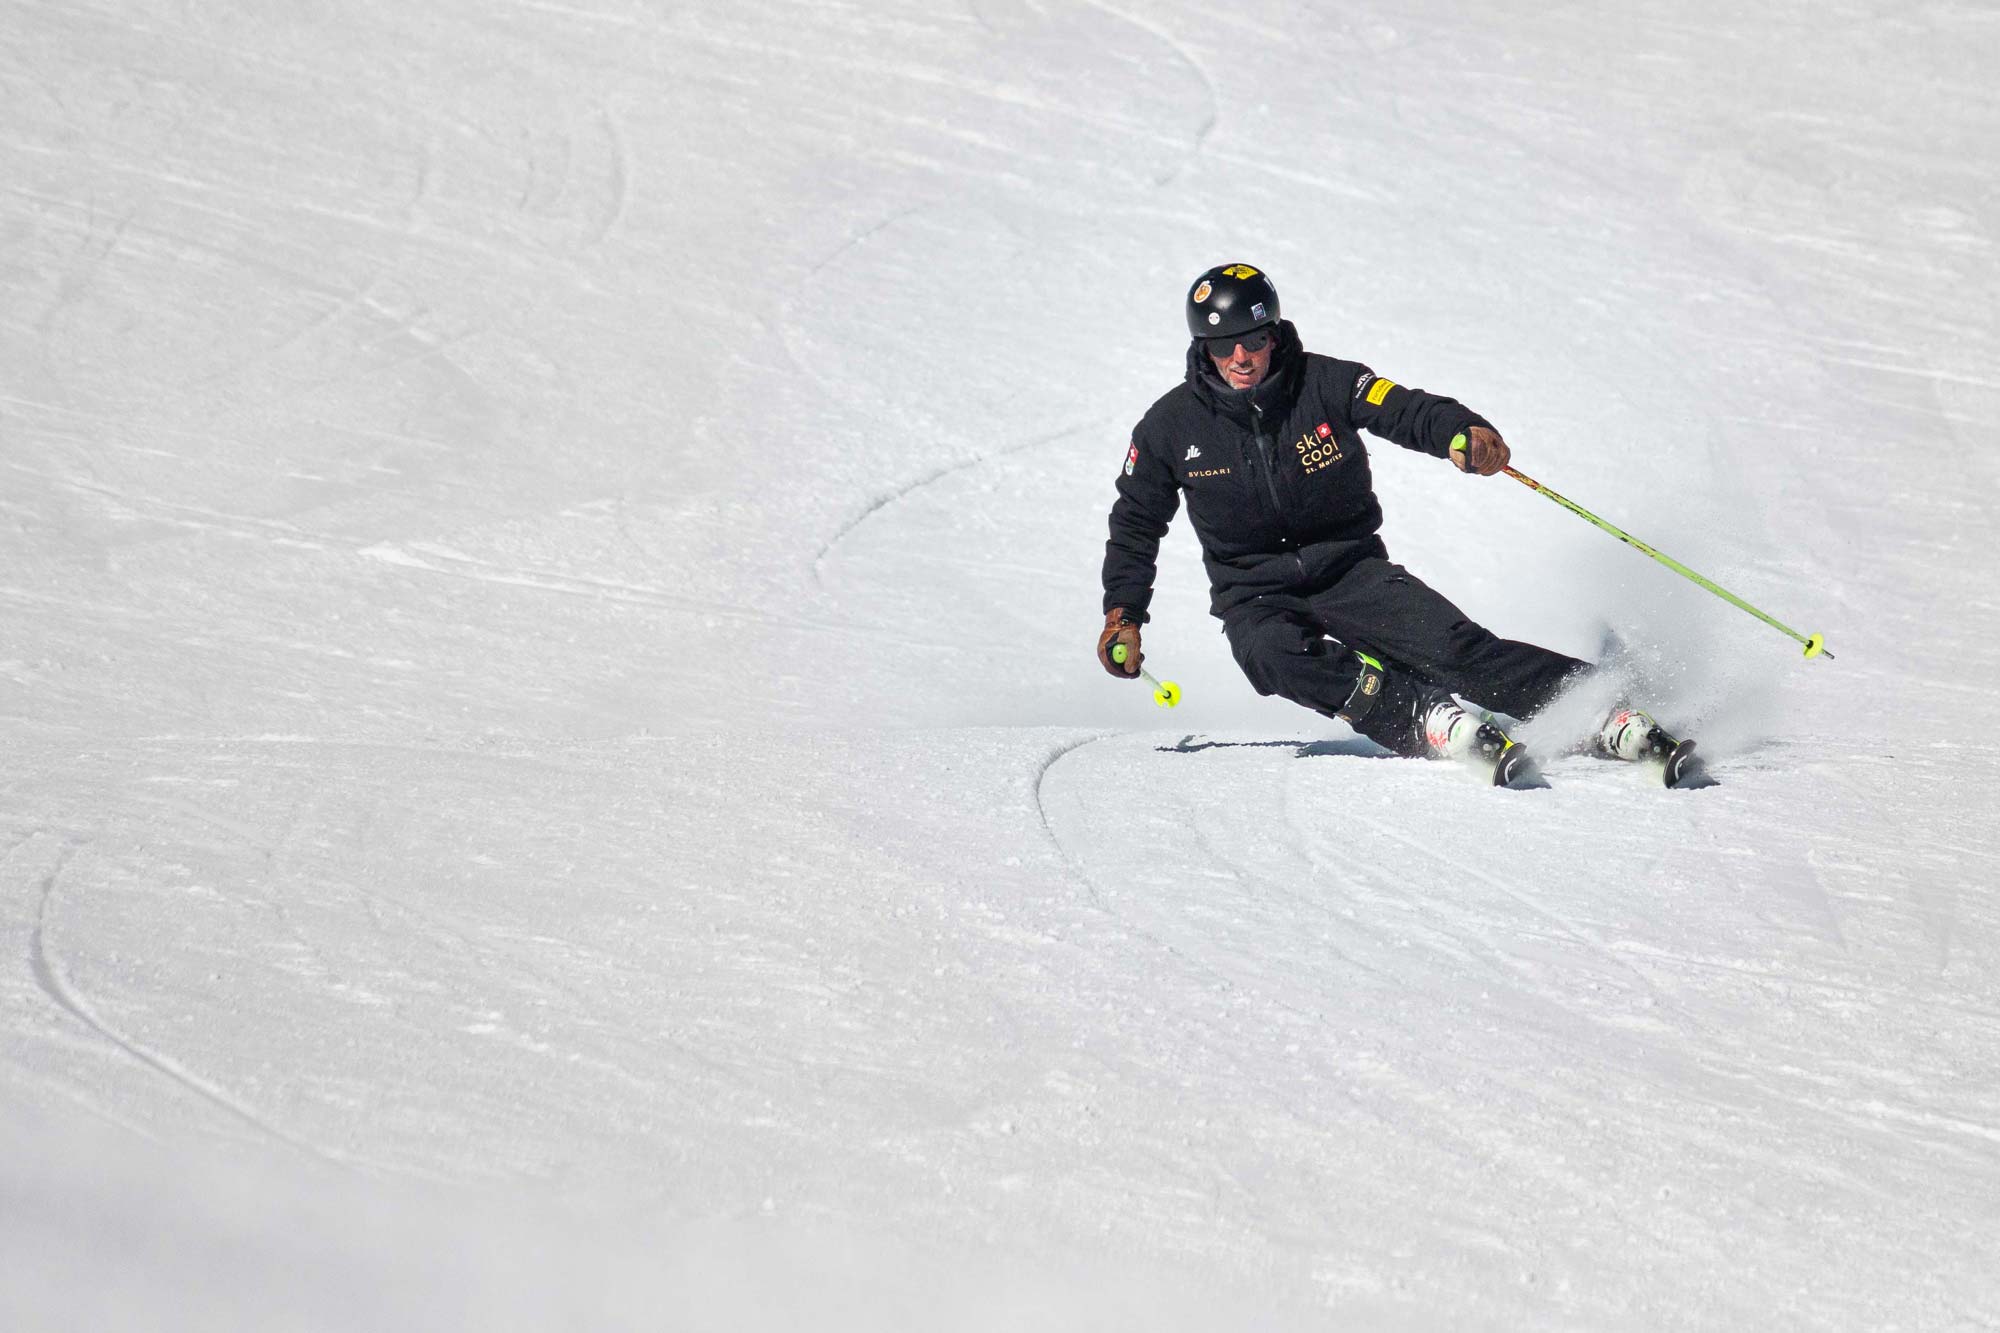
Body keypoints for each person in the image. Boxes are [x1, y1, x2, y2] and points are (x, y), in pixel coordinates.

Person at [1096, 262, 1662, 780]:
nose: (1241, 358)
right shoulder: (1170, 426)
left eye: (1253, 339)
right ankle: (1423, 717)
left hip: (1350, 571)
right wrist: (1123, 614)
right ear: (1204, 347)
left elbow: (1405, 408)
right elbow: (1135, 524)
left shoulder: (1326, 383)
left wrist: (1461, 433)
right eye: (1224, 345)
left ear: (1273, 334)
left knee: (1455, 649)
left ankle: (1602, 709)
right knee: (1273, 656)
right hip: (1254, 592)